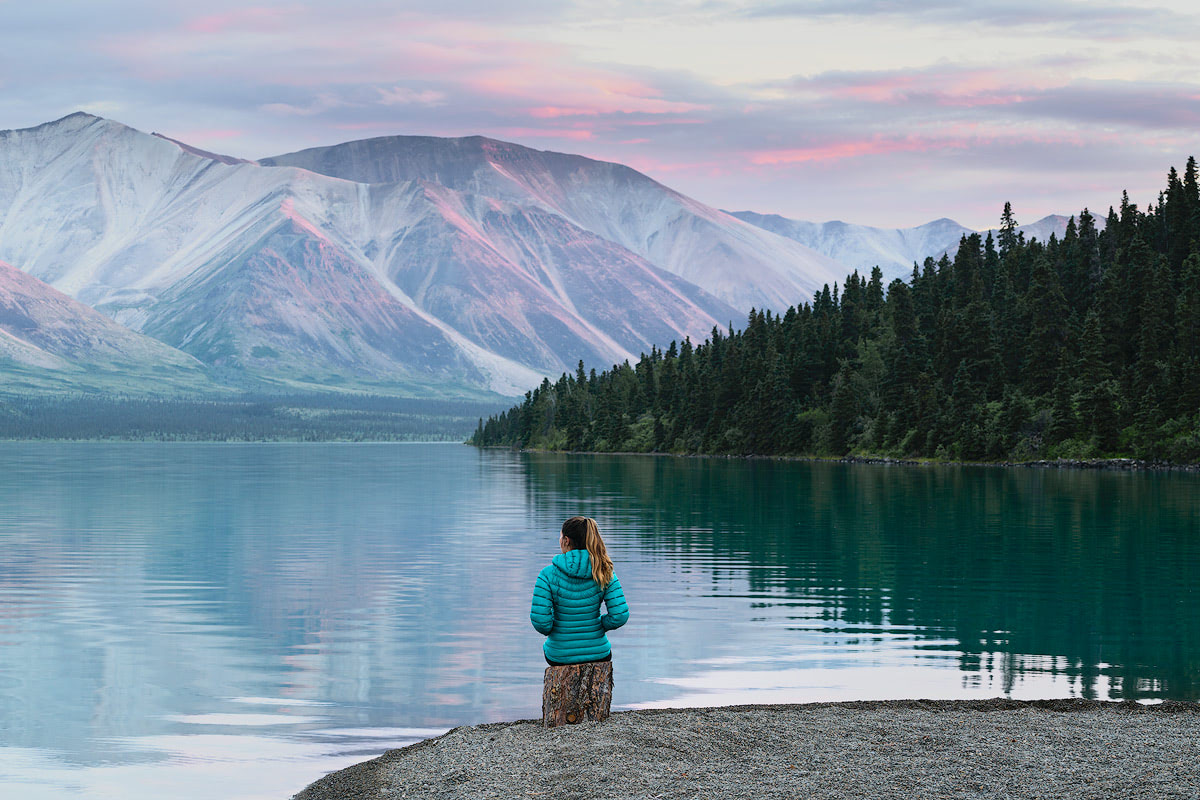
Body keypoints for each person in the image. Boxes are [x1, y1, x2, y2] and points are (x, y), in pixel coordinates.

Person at [530, 516, 628, 665]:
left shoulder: (547, 575)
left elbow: (541, 623)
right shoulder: (604, 571)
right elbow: (619, 615)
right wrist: (599, 626)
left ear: (566, 540)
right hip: (598, 653)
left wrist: (558, 630)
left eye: (560, 536)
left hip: (559, 656)